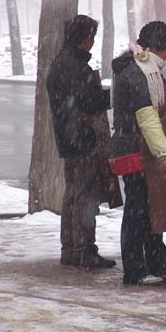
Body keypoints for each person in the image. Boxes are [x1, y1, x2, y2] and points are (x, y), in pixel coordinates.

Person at [111, 21, 166, 286]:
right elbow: (147, 117)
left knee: (151, 209)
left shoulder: (140, 68)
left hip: (140, 149)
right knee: (138, 211)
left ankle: (159, 264)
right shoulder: (140, 73)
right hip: (136, 151)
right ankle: (135, 270)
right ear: (157, 48)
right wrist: (165, 154)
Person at [46, 14, 116, 269]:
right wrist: (112, 95)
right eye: (91, 37)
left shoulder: (60, 63)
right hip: (82, 138)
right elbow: (90, 101)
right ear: (85, 38)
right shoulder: (75, 67)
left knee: (73, 193)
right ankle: (85, 249)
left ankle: (71, 249)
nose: (93, 42)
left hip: (68, 138)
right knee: (85, 195)